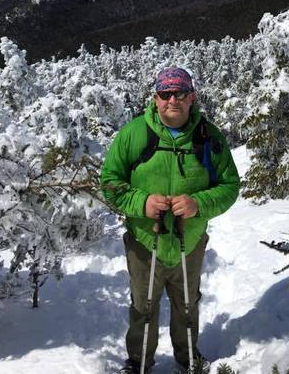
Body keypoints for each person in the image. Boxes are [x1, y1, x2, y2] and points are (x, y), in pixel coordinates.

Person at [101, 66, 240, 374]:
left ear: (192, 98)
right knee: (143, 307)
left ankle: (188, 359)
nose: (172, 100)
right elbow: (109, 183)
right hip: (144, 241)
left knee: (187, 304)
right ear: (156, 98)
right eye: (165, 94)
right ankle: (139, 363)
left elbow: (230, 187)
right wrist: (141, 202)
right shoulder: (133, 134)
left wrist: (198, 203)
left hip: (189, 242)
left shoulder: (209, 137)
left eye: (180, 93)